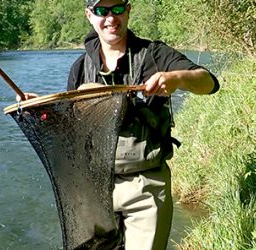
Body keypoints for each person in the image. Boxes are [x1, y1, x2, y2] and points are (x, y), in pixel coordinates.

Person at [18, 0, 219, 249]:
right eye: (102, 11)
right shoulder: (80, 68)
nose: (111, 18)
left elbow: (209, 82)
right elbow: (72, 130)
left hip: (145, 186)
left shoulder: (155, 54)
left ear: (128, 10)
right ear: (89, 15)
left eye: (117, 9)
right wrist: (45, 110)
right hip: (92, 189)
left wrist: (177, 78)